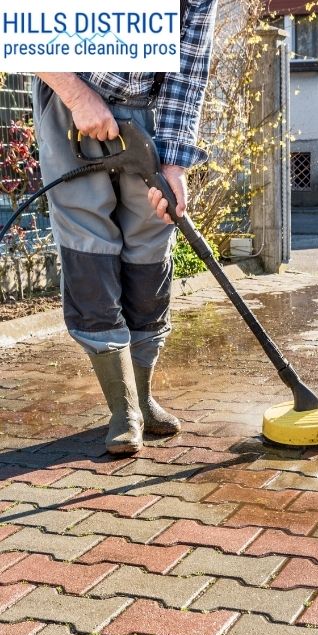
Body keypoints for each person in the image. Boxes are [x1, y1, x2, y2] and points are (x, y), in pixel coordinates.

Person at [32, 0, 219, 455]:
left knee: (151, 242)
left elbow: (187, 71)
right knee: (89, 246)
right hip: (70, 102)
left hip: (149, 112)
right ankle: (123, 408)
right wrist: (77, 95)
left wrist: (175, 166)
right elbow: (19, 22)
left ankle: (142, 394)